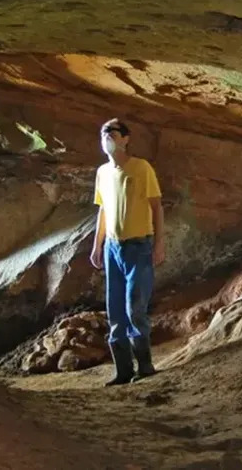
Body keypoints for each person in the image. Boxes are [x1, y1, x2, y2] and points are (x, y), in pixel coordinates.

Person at [90, 118, 166, 386]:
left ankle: (144, 366)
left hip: (138, 245)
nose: (106, 136)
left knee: (135, 306)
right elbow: (103, 210)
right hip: (113, 247)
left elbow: (156, 207)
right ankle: (123, 371)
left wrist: (159, 244)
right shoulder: (102, 172)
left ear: (125, 139)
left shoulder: (141, 168)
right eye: (103, 132)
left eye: (111, 131)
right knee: (115, 310)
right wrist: (97, 245)